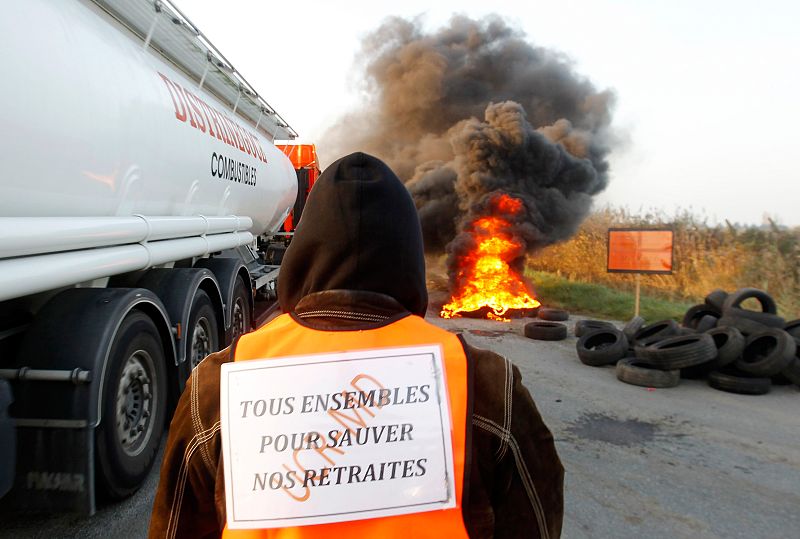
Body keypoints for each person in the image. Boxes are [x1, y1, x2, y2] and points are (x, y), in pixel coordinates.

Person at [148, 152, 563, 539]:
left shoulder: (219, 381)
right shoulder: (489, 383)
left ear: (303, 254)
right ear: (408, 260)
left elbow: (176, 526)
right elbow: (536, 518)